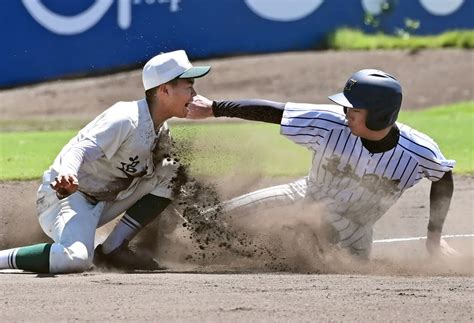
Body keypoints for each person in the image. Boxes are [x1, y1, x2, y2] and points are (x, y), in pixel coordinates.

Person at [186, 69, 458, 259]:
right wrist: (215, 108)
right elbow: (275, 112)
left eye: (354, 109)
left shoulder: (418, 150)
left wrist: (434, 237)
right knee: (212, 220)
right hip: (303, 195)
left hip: (354, 234)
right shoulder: (331, 121)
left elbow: (442, 175)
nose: (345, 113)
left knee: (315, 262)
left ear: (380, 116)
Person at [0, 50, 211, 273]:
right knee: (75, 259)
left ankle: (114, 249)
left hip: (105, 200)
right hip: (69, 197)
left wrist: (193, 212)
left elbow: (168, 183)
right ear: (164, 90)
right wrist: (67, 174)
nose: (195, 94)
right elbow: (79, 149)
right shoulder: (126, 118)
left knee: (172, 171)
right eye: (189, 87)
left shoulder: (160, 130)